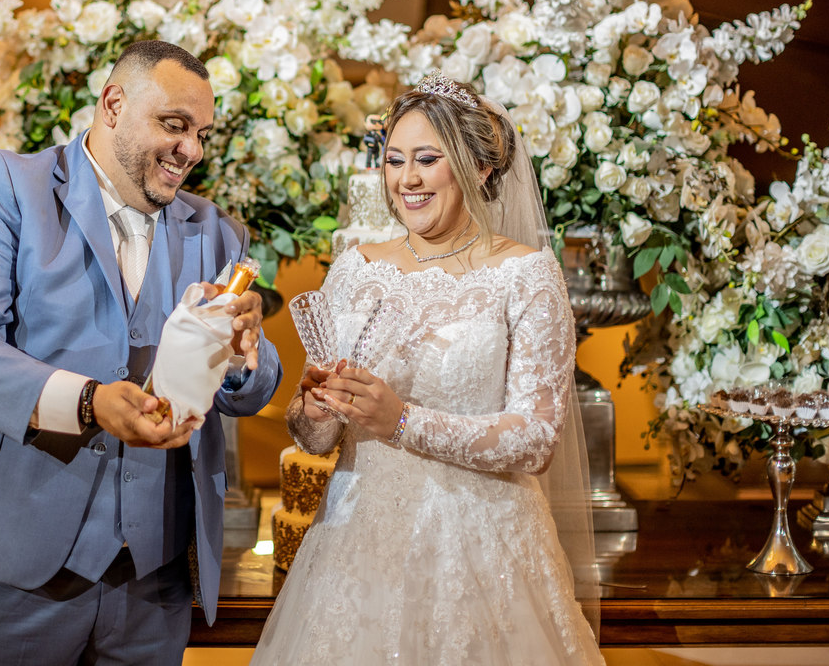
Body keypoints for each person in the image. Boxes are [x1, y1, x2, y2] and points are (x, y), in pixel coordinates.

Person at [0, 40, 282, 665]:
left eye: (202, 133)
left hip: (152, 582)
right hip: (6, 563)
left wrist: (239, 355)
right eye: (174, 126)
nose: (192, 151)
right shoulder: (7, 186)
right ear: (114, 103)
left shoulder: (218, 232)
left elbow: (257, 386)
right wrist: (91, 403)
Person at [252, 71, 602, 664]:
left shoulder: (526, 274)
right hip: (356, 545)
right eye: (393, 160)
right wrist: (314, 409)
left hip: (484, 549)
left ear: (480, 168)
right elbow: (315, 437)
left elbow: (538, 439)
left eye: (426, 159)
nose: (406, 180)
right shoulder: (357, 267)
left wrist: (402, 421)